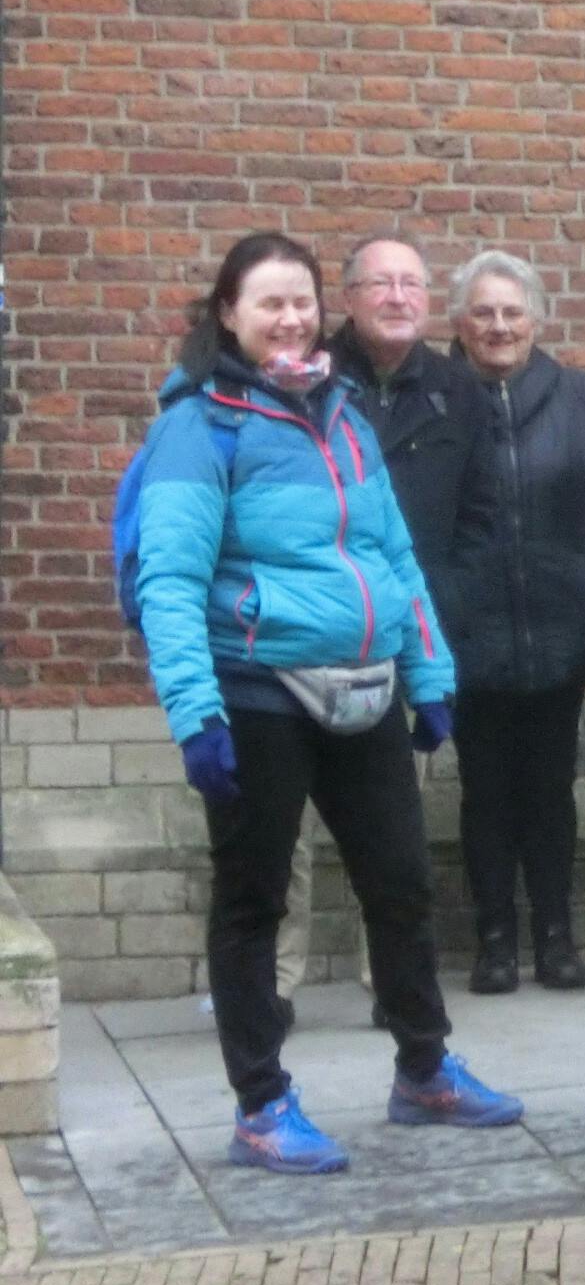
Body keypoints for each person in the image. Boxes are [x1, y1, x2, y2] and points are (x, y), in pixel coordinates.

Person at [129, 233, 522, 1173]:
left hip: (365, 688)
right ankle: (261, 1105)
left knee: (401, 883)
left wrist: (430, 679)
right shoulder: (201, 425)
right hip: (256, 695)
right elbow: (169, 579)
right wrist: (197, 716)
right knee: (254, 901)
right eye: (269, 303)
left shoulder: (340, 414)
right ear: (229, 313)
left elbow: (392, 557)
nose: (290, 318)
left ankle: (423, 1071)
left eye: (302, 302)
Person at [277, 231, 499, 1018]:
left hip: (410, 636)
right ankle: (274, 985)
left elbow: (481, 517)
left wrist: (438, 607)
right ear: (348, 297)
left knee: (395, 833)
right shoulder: (306, 381)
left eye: (412, 284)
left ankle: (393, 985)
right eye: (380, 284)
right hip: (302, 640)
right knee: (283, 834)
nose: (398, 297)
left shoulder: (457, 390)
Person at [446, 251, 585, 995]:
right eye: (484, 312)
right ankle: (494, 940)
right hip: (471, 630)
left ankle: (555, 934)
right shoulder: (438, 401)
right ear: (459, 323)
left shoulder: (580, 399)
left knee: (551, 788)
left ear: (538, 320)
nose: (499, 326)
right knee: (483, 791)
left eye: (513, 312)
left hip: (556, 622)